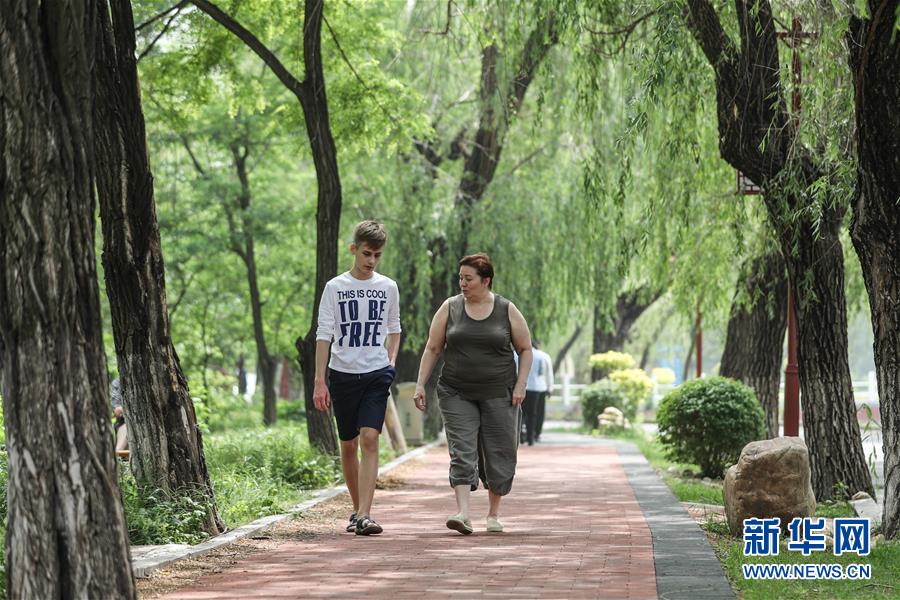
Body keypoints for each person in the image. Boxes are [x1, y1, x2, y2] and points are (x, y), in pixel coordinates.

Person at [414, 253, 532, 535]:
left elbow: (525, 349)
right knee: (462, 450)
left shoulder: (506, 309)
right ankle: (463, 513)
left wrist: (521, 384)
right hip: (456, 390)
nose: (462, 284)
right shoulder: (450, 308)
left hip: (499, 391)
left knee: (499, 451)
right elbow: (433, 348)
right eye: (460, 278)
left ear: (486, 280)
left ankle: (493, 514)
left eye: (469, 279)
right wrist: (420, 384)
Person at [313, 220, 401, 536]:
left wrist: (390, 363)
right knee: (348, 444)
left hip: (376, 373)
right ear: (353, 249)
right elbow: (324, 334)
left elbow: (395, 328)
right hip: (341, 374)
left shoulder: (388, 287)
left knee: (369, 437)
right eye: (366, 253)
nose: (371, 261)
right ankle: (356, 510)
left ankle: (365, 512)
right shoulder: (335, 288)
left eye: (377, 255)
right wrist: (319, 381)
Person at [522, 341, 553, 445]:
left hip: (524, 387)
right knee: (536, 413)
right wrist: (550, 388)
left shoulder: (520, 355)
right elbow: (549, 374)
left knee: (522, 413)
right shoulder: (544, 356)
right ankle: (533, 436)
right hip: (539, 388)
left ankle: (521, 434)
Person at [110, 377, 128, 453]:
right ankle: (117, 455)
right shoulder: (117, 382)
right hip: (123, 424)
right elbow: (117, 410)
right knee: (127, 426)